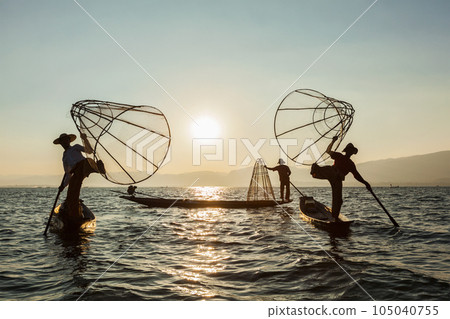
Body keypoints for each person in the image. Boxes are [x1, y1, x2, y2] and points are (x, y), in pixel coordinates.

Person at [310, 136, 371, 221]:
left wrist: (365, 183)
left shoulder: (351, 164)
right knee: (320, 169)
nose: (350, 152)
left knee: (338, 200)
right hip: (332, 172)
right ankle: (315, 170)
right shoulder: (339, 156)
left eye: (351, 151)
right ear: (347, 151)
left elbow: (356, 176)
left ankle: (334, 217)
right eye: (349, 150)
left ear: (352, 152)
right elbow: (328, 151)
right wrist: (333, 141)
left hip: (338, 179)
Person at [53, 133, 104, 222]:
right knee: (71, 194)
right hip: (76, 172)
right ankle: (74, 214)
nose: (65, 142)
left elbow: (90, 151)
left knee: (86, 165)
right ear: (61, 143)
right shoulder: (64, 157)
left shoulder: (75, 147)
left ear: (69, 141)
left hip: (84, 164)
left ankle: (97, 167)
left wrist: (85, 139)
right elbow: (68, 174)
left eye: (66, 140)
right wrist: (63, 186)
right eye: (63, 141)